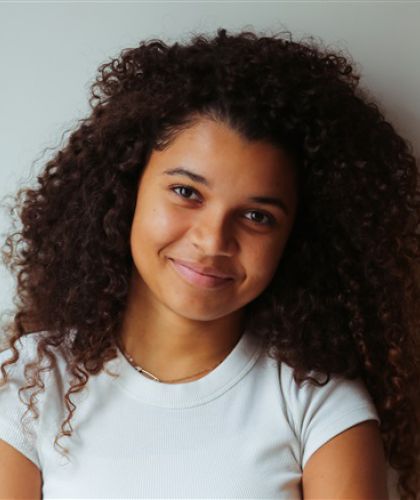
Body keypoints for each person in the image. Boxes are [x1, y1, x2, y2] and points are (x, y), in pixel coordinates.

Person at [0, 27, 418, 499]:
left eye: (257, 216)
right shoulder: (31, 382)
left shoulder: (319, 403)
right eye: (186, 192)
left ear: (297, 239)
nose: (213, 240)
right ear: (126, 188)